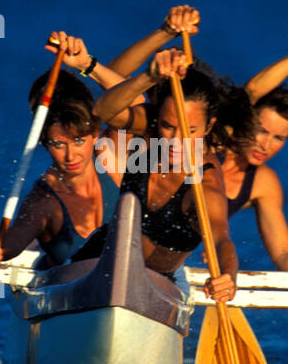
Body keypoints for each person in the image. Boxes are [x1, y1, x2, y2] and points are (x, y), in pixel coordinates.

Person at [100, 12, 288, 272]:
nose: (265, 144)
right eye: (261, 130)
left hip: (163, 270)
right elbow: (254, 90)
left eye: (278, 138)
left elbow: (284, 255)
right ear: (245, 122)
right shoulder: (209, 138)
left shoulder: (260, 182)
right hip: (114, 240)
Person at [80, 48, 239, 304]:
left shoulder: (204, 183)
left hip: (157, 288)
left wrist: (228, 276)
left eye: (190, 130)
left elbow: (221, 238)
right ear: (157, 119)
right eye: (168, 127)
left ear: (209, 126)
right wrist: (148, 76)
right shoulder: (149, 127)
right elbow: (103, 112)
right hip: (94, 263)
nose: (176, 141)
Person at [0, 68, 120, 269]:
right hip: (68, 289)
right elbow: (15, 240)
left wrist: (88, 63)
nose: (71, 156)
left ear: (95, 134)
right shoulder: (44, 200)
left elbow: (132, 100)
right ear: (45, 144)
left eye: (78, 141)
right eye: (58, 145)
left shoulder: (110, 159)